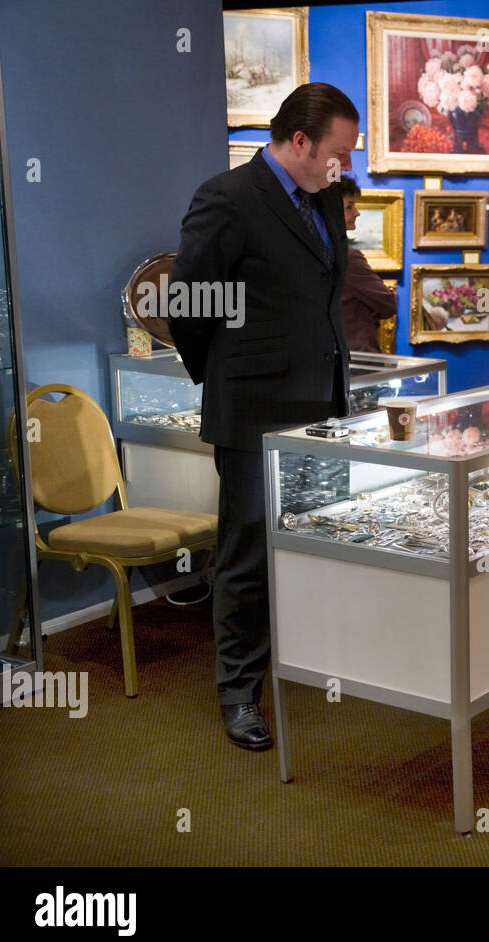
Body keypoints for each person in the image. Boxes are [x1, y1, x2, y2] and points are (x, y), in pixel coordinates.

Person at [169, 83, 360, 751]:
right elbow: (190, 305)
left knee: (315, 542)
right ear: (299, 141)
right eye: (337, 153)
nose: (344, 167)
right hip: (253, 408)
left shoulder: (326, 196)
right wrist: (228, 374)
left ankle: (305, 663)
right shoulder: (228, 196)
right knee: (247, 554)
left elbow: (324, 292)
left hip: (321, 405)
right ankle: (239, 693)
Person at [339, 175, 397, 353]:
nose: (356, 212)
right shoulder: (348, 258)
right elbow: (388, 304)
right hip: (357, 359)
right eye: (349, 206)